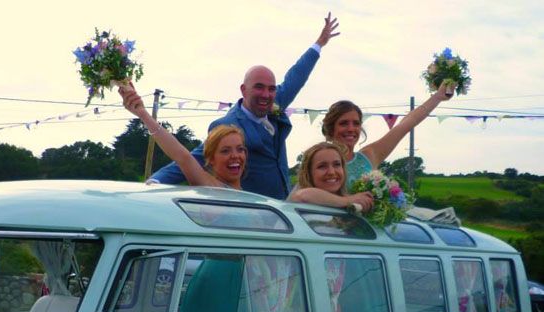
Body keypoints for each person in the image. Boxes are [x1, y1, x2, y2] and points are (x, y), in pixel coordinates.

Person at [146, 13, 340, 200]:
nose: (266, 94)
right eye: (259, 87)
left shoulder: (273, 101)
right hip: (253, 210)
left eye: (271, 89)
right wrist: (154, 182)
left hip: (284, 207)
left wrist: (319, 43)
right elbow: (193, 158)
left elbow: (295, 77)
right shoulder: (229, 124)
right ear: (243, 90)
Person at [322, 81, 454, 189]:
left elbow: (408, 123)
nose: (351, 129)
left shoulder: (369, 155)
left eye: (356, 123)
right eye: (344, 123)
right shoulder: (317, 160)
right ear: (331, 128)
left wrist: (437, 97)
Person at [120, 82, 246, 189]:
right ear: (211, 159)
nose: (235, 156)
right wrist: (143, 113)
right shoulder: (213, 188)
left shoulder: (255, 199)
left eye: (240, 149)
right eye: (225, 151)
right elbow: (182, 156)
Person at [288, 141, 374, 212]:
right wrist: (347, 201)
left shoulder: (354, 204)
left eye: (337, 164)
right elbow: (302, 196)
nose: (331, 172)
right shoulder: (301, 201)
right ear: (309, 173)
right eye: (322, 166)